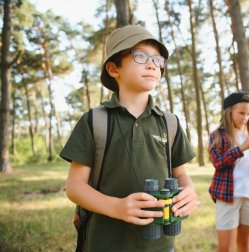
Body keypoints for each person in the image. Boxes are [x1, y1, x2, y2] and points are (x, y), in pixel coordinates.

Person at [60, 25, 197, 252]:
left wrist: (188, 192)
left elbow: (180, 174)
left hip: (161, 246)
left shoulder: (170, 122)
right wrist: (117, 207)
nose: (153, 64)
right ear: (114, 69)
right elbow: (74, 187)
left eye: (158, 59)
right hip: (105, 243)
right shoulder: (95, 121)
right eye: (140, 56)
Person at [208, 91, 249, 252]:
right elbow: (217, 162)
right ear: (229, 112)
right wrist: (242, 147)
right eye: (241, 112)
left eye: (248, 113)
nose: (245, 117)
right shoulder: (218, 135)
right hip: (228, 197)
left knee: (246, 246)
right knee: (226, 248)